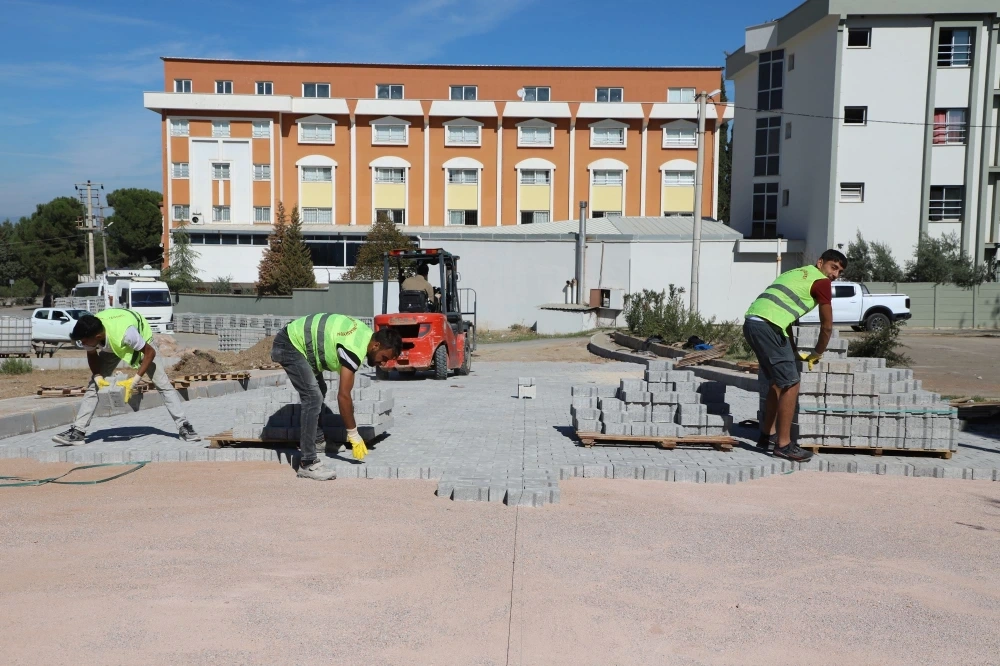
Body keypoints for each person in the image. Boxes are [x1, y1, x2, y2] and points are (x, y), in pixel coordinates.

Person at [742, 249, 847, 462]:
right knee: (791, 383)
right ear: (821, 262)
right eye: (833, 267)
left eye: (839, 271)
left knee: (777, 381)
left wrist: (791, 349)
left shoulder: (796, 273)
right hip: (768, 327)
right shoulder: (821, 282)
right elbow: (827, 326)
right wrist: (817, 353)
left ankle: (766, 436)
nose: (835, 275)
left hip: (753, 323)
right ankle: (784, 445)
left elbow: (784, 314)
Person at [271, 314, 403, 480]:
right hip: (289, 345)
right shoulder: (354, 347)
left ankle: (318, 441)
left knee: (320, 389)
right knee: (313, 397)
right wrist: (354, 435)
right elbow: (344, 396)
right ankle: (307, 462)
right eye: (384, 358)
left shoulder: (366, 335)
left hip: (299, 344)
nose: (383, 364)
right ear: (376, 345)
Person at [52, 309, 200, 445]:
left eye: (84, 341)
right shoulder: (89, 330)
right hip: (113, 343)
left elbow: (149, 353)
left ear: (97, 336)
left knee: (163, 385)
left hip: (142, 341)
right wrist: (97, 376)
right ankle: (78, 431)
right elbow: (91, 354)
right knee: (94, 386)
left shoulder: (127, 333)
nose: (82, 344)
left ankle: (184, 426)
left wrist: (135, 380)